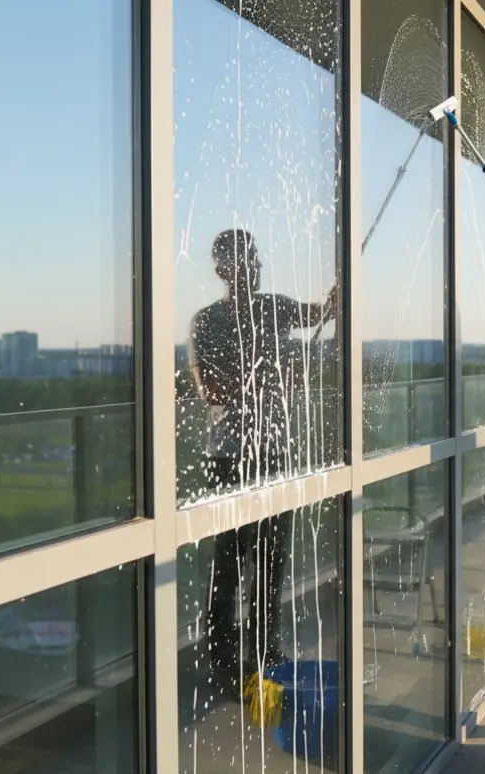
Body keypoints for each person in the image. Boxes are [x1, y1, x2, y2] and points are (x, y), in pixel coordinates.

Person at [187, 228, 338, 698]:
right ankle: (225, 662)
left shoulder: (273, 306)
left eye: (253, 256)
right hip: (230, 456)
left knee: (272, 560)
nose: (253, 265)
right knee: (230, 562)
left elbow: (322, 313)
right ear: (221, 269)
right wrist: (266, 374)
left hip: (274, 451)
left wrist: (338, 294)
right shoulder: (207, 320)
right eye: (242, 258)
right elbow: (208, 387)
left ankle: (264, 651)